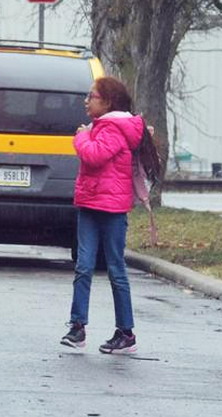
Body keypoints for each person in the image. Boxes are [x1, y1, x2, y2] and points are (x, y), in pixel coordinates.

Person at [59, 76, 145, 354]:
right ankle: (77, 326)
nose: (87, 100)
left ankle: (125, 332)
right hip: (90, 204)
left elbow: (94, 156)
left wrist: (82, 135)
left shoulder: (112, 129)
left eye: (91, 96)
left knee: (115, 269)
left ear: (107, 102)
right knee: (83, 266)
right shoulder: (103, 126)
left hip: (111, 210)